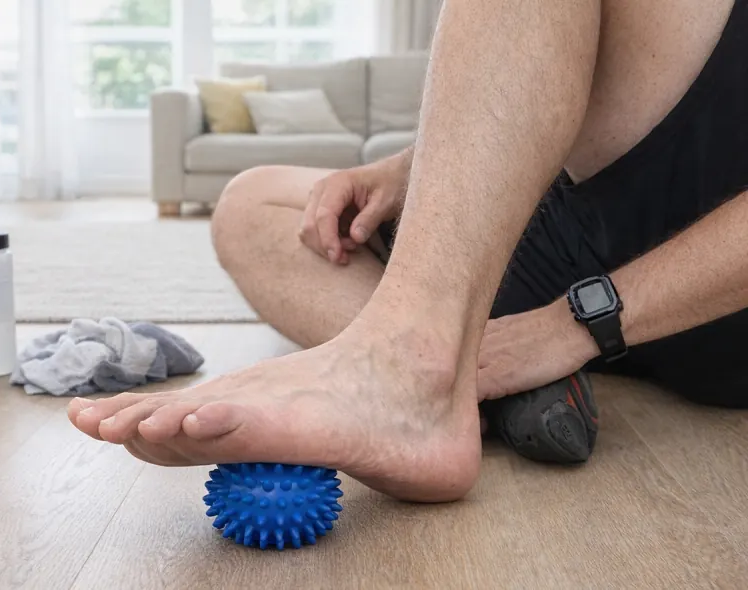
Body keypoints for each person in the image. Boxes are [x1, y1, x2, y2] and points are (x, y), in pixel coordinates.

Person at [69, 0, 748, 502]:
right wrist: (422, 166)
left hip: (716, 294)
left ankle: (418, 370)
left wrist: (572, 327)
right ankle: (463, 383)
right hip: (576, 225)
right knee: (256, 206)